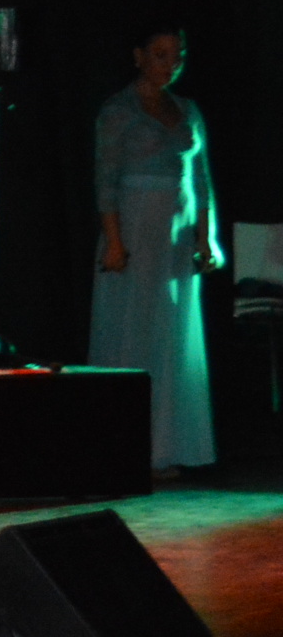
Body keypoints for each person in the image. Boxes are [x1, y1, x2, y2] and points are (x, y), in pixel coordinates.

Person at [91, 24, 221, 475]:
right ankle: (128, 447)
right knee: (134, 330)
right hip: (136, 227)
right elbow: (105, 181)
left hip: (178, 232)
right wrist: (115, 240)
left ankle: (170, 446)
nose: (171, 64)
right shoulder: (118, 110)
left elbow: (201, 179)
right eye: (161, 54)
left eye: (178, 55)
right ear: (139, 55)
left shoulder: (188, 110)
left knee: (173, 335)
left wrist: (207, 237)